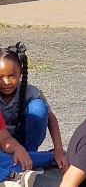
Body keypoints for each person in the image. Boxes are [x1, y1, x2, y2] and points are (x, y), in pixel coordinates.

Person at [0, 43, 65, 172]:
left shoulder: (31, 92)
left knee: (38, 108)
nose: (6, 82)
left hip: (19, 139)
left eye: (12, 76)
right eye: (0, 77)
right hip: (3, 142)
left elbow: (50, 118)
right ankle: (40, 159)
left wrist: (59, 150)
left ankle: (29, 158)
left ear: (20, 74)